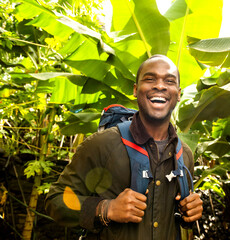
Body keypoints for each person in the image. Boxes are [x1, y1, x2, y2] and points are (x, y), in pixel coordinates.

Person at [45, 54, 203, 239]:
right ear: (136, 90)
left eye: (169, 81)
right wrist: (106, 209)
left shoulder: (184, 155)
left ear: (178, 94)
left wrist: (188, 213)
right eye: (150, 79)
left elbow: (172, 215)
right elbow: (55, 201)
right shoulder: (102, 144)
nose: (160, 86)